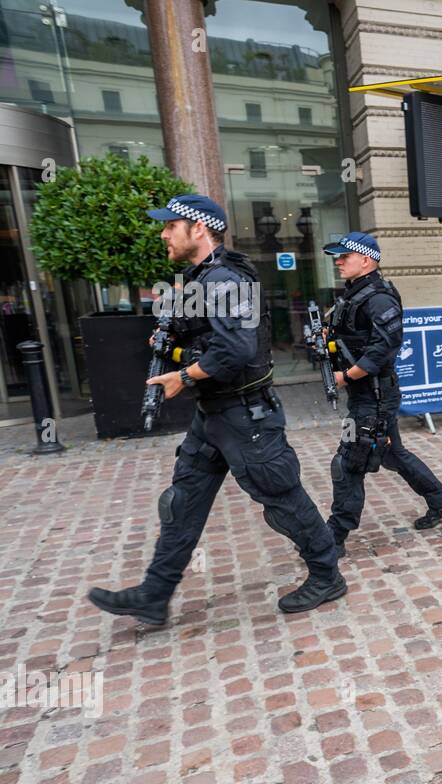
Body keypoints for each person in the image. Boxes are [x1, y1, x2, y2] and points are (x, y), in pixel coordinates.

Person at [87, 194, 345, 626]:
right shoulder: (202, 278)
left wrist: (183, 377)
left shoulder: (225, 279)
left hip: (246, 417)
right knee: (182, 502)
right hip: (213, 415)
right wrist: (173, 343)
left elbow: (237, 350)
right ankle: (154, 594)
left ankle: (326, 574)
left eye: (171, 226)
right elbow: (207, 339)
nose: (163, 234)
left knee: (282, 498)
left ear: (199, 228)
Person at [323, 231, 442, 556]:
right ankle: (440, 501)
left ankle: (333, 538)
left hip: (374, 397)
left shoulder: (379, 298)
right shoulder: (355, 293)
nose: (338, 262)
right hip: (367, 396)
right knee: (392, 454)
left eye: (344, 256)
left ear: (365, 260)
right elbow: (354, 337)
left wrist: (346, 376)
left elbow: (383, 348)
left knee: (348, 462)